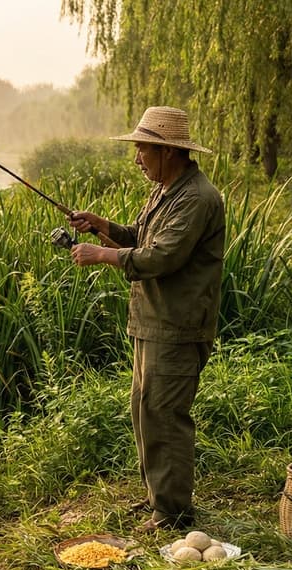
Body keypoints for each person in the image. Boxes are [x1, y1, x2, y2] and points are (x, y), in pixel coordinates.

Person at [67, 106, 225, 532]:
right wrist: (101, 226)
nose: (137, 159)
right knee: (144, 410)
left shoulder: (196, 198)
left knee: (165, 415)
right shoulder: (165, 190)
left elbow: (162, 257)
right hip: (152, 322)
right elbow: (141, 237)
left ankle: (173, 513)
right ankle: (160, 499)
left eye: (142, 150)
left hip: (177, 326)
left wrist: (102, 255)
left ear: (167, 151)